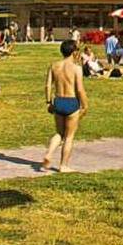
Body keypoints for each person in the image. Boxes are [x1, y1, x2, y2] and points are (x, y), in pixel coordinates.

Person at [41, 39, 88, 173]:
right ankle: (63, 165)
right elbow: (80, 89)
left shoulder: (54, 66)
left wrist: (48, 102)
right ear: (74, 52)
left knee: (59, 133)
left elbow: (48, 85)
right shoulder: (76, 68)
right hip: (71, 102)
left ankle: (49, 154)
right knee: (69, 137)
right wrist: (85, 105)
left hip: (59, 101)